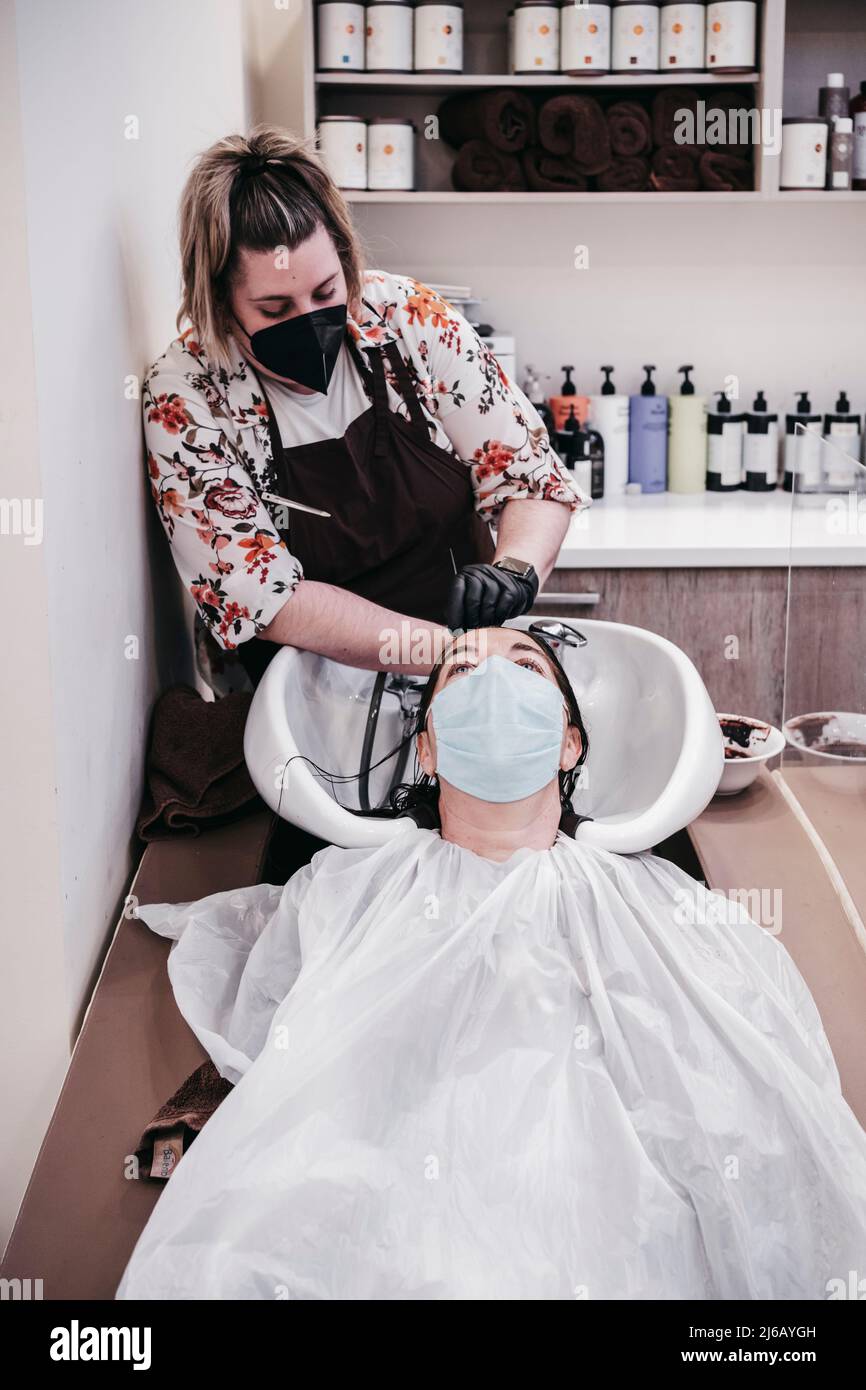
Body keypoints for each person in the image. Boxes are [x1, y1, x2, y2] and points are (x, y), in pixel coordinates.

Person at [116, 627, 866, 1300]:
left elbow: (747, 1075)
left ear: (570, 744)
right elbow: (271, 997)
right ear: (431, 747)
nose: (497, 681)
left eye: (529, 667)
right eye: (464, 671)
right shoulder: (352, 886)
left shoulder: (652, 905)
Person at [143, 125, 589, 697]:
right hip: (305, 701)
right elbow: (266, 599)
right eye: (274, 307)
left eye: (327, 292)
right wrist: (448, 652)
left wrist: (516, 569)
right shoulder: (188, 397)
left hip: (464, 681)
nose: (309, 319)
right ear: (219, 302)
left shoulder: (408, 318)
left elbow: (529, 475)